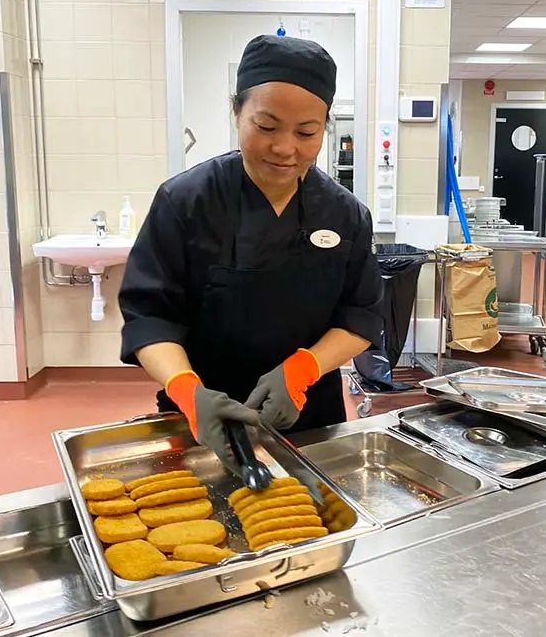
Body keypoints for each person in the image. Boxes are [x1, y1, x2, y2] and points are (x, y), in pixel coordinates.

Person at [118, 34, 384, 467]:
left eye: (306, 132)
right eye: (266, 126)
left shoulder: (345, 214)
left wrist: (302, 371)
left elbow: (360, 315)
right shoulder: (185, 201)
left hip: (311, 418)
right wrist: (187, 392)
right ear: (236, 110)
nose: (285, 148)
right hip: (200, 418)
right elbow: (149, 316)